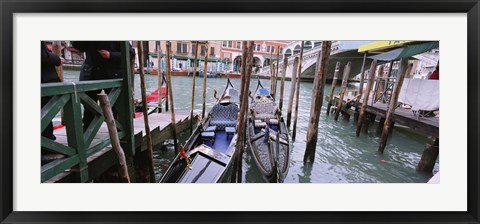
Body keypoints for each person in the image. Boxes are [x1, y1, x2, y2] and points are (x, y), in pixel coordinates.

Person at [72, 41, 135, 130]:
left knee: (112, 106)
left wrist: (111, 55)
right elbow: (78, 46)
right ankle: (88, 132)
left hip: (111, 76)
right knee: (89, 106)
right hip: (91, 74)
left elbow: (130, 54)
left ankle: (116, 132)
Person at [41, 41, 63, 140]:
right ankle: (47, 143)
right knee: (44, 112)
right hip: (44, 82)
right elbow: (42, 56)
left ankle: (47, 141)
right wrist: (56, 58)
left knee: (45, 113)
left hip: (45, 82)